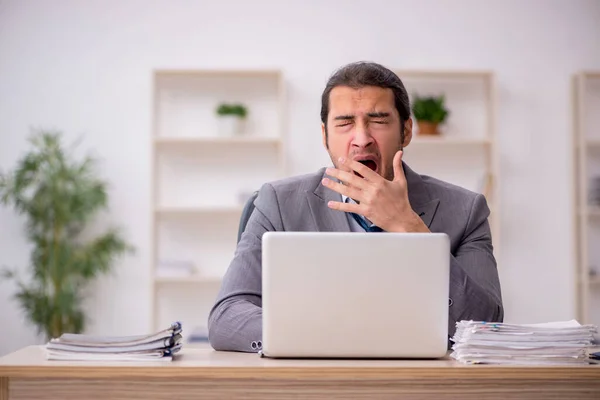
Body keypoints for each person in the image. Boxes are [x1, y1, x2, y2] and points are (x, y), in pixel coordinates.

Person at [207, 61, 504, 352]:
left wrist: (410, 228)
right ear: (325, 136)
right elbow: (227, 317)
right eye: (345, 122)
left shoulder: (467, 210)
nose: (361, 139)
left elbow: (485, 326)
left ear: (406, 131)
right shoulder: (278, 202)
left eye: (378, 120)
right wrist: (330, 337)